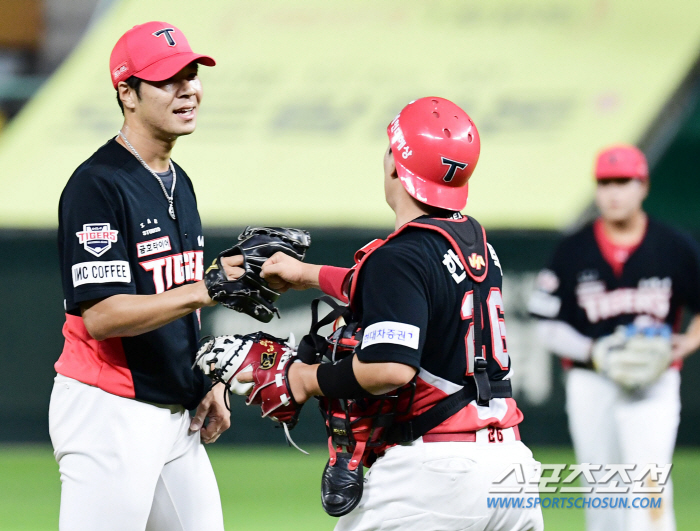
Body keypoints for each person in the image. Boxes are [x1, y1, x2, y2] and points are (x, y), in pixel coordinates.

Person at [254, 97, 544, 530]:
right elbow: (394, 287)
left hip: (438, 474)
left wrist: (304, 379)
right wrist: (307, 274)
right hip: (512, 470)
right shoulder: (477, 243)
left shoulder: (401, 256)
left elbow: (390, 367)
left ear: (395, 166)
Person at [50, 22, 241, 531]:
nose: (187, 88)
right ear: (126, 93)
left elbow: (173, 302)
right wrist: (209, 286)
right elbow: (105, 315)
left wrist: (202, 379)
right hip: (108, 409)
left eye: (192, 74)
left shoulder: (179, 180)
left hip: (174, 414)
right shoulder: (98, 185)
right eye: (166, 78)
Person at [528, 145, 700, 531]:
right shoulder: (573, 250)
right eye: (605, 182)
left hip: (655, 381)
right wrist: (595, 351)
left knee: (649, 486)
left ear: (644, 185)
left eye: (624, 181)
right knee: (603, 492)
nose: (613, 192)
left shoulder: (673, 246)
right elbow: (543, 322)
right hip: (592, 380)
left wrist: (689, 341)